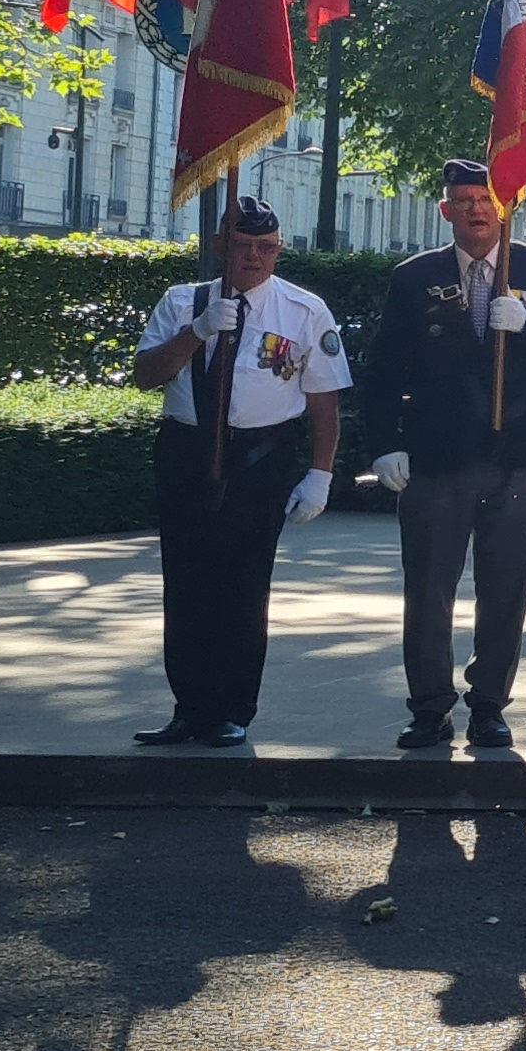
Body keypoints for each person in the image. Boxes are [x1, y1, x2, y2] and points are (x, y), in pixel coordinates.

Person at [364, 159, 526, 751]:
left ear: (504, 206)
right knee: (429, 588)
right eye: (463, 200)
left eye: (486, 198)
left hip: (518, 454)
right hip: (438, 456)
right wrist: (385, 444)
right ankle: (429, 707)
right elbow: (383, 369)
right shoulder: (415, 277)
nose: (476, 209)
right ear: (446, 211)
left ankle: (489, 704)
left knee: (506, 588)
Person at [126, 195, 345, 748]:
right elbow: (146, 375)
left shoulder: (302, 310)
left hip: (260, 457)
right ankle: (189, 707)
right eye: (243, 245)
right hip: (188, 450)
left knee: (244, 586)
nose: (253, 257)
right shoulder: (183, 303)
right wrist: (197, 331)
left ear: (279, 250)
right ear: (220, 244)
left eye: (265, 247)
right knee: (186, 584)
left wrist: (320, 475)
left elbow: (324, 401)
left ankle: (232, 709)